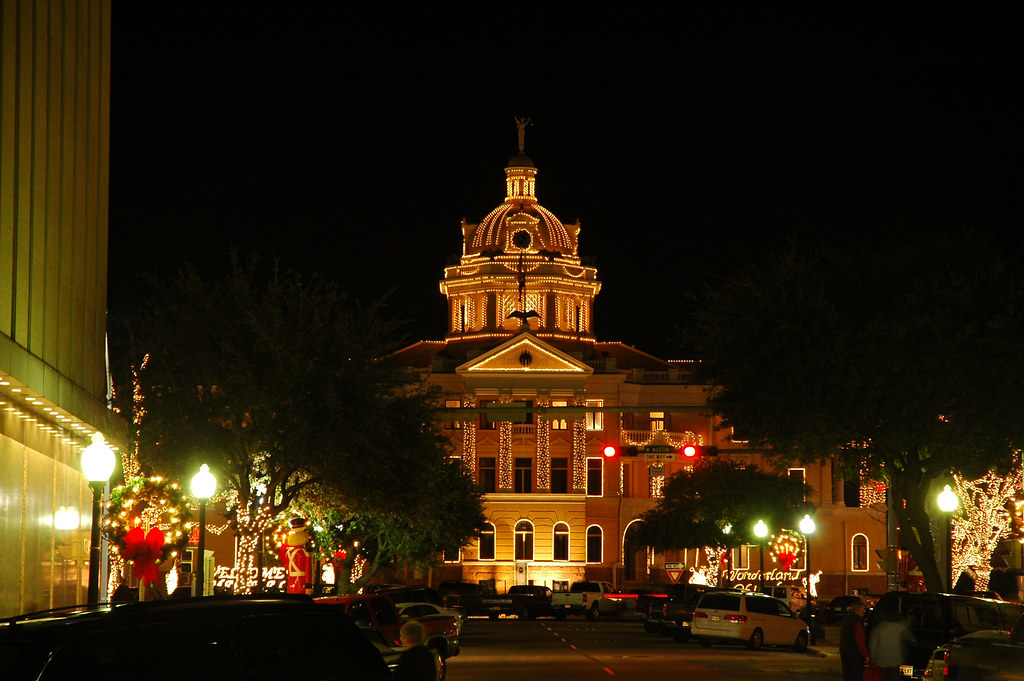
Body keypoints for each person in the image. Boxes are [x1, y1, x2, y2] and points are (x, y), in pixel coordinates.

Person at [868, 607, 916, 681]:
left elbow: (873, 646)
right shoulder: (900, 627)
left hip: (881, 660)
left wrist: (872, 659)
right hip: (896, 659)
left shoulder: (878, 629)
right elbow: (911, 640)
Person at [839, 598, 870, 681]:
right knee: (855, 675)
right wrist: (866, 655)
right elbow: (860, 640)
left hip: (844, 651)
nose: (864, 612)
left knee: (847, 674)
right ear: (858, 610)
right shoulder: (857, 622)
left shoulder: (847, 619)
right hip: (854, 653)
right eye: (863, 610)